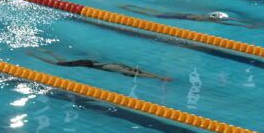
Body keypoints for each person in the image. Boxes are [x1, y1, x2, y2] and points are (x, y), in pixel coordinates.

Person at [25, 48, 172, 82]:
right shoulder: (119, 69)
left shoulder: (121, 67)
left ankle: (49, 52)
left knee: (62, 62)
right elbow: (138, 73)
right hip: (90, 64)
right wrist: (159, 78)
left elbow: (140, 71)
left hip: (93, 63)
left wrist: (159, 77)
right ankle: (39, 54)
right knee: (59, 63)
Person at [118, 5, 264, 28]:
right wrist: (248, 25)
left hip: (182, 15)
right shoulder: (211, 20)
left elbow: (230, 20)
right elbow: (229, 22)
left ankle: (130, 7)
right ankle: (131, 8)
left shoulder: (207, 17)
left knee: (153, 11)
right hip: (179, 17)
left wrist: (248, 24)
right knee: (153, 14)